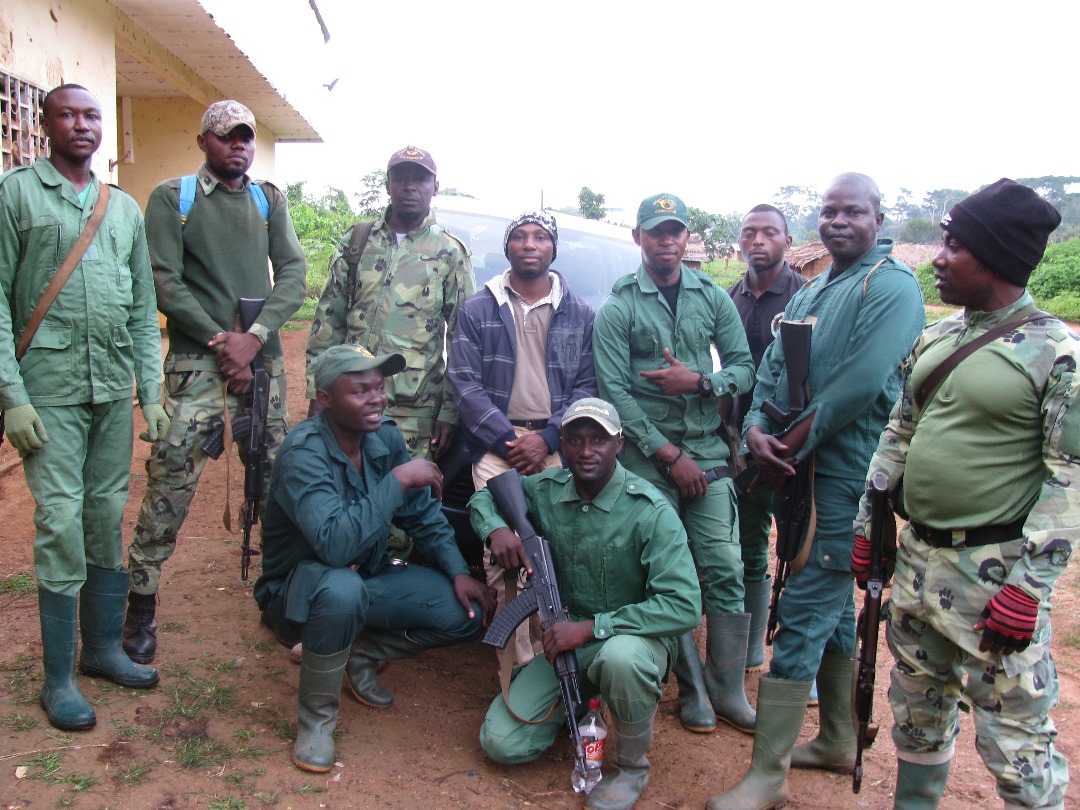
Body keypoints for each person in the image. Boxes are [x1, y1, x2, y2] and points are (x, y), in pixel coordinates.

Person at [852, 179, 1075, 809]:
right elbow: (899, 431)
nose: (939, 257)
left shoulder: (1056, 354)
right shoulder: (942, 335)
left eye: (955, 245)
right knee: (917, 714)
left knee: (1017, 741)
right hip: (920, 565)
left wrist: (1028, 589)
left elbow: (1071, 476)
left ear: (997, 256)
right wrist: (871, 531)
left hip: (994, 578)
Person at [706, 173, 924, 809]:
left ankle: (767, 775)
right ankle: (834, 739)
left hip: (845, 479)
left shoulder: (890, 287)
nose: (837, 221)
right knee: (824, 608)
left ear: (878, 218)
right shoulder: (812, 290)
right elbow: (771, 373)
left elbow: (859, 384)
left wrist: (785, 443)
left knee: (803, 607)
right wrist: (753, 433)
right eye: (828, 211)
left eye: (852, 211)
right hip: (793, 474)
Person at [0, 84, 164, 730]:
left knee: (103, 515)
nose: (81, 125)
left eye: (92, 115)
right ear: (45, 125)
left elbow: (142, 311)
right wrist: (11, 396)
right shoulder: (15, 194)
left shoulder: (120, 209)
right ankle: (59, 678)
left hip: (111, 393)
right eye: (67, 114)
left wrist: (149, 393)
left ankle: (101, 650)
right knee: (61, 521)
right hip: (49, 393)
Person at [123, 100, 307, 664]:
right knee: (173, 475)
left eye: (247, 138)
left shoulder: (268, 199)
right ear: (205, 140)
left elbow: (294, 273)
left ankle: (280, 598)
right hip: (198, 361)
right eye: (228, 137)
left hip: (263, 362)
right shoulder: (171, 198)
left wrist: (254, 335)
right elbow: (164, 280)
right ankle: (140, 604)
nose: (240, 146)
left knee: (277, 478)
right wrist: (221, 341)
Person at [256, 344, 496, 773]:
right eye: (360, 390)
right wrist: (399, 480)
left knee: (468, 611)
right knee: (340, 587)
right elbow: (333, 546)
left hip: (366, 575)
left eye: (379, 387)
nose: (377, 398)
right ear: (326, 398)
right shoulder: (303, 453)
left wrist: (459, 571)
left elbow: (421, 514)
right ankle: (316, 720)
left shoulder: (382, 437)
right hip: (299, 593)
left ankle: (359, 655)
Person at [472, 398, 700, 810]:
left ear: (619, 444)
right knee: (500, 743)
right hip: (565, 640)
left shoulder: (649, 511)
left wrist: (593, 628)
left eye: (599, 439)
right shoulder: (547, 489)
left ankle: (632, 767)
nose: (585, 450)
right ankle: (576, 708)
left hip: (632, 640)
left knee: (621, 660)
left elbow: (683, 606)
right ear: (562, 441)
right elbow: (488, 496)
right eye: (575, 439)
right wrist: (496, 530)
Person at [593, 193, 756, 735]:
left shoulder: (712, 297)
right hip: (645, 457)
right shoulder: (620, 307)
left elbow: (743, 367)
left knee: (724, 565)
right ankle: (691, 691)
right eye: (656, 232)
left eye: (676, 232)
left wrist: (702, 382)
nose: (667, 241)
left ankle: (727, 686)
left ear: (688, 239)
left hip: (708, 452)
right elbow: (613, 389)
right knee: (667, 569)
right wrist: (667, 453)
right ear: (638, 237)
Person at [448, 210, 596, 675]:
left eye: (539, 237)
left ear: (553, 249)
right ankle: (516, 675)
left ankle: (555, 664)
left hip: (559, 446)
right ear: (507, 247)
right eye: (519, 237)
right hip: (499, 447)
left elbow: (587, 388)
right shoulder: (478, 308)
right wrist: (510, 439)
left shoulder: (580, 312)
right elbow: (464, 383)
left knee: (557, 552)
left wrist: (549, 437)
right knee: (505, 554)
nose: (529, 244)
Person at [305, 145, 474, 551]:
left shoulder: (449, 253)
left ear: (435, 187)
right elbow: (329, 319)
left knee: (403, 500)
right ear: (387, 184)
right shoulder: (358, 240)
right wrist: (316, 392)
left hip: (412, 406)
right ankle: (342, 581)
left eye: (420, 179)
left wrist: (450, 410)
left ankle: (390, 583)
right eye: (401, 177)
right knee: (341, 487)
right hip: (347, 400)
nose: (409, 187)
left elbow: (463, 339)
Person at [726, 205, 803, 674]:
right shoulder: (728, 298)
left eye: (769, 233)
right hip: (738, 442)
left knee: (798, 549)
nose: (758, 241)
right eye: (749, 233)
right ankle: (751, 652)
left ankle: (800, 666)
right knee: (749, 544)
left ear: (788, 243)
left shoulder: (806, 296)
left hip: (793, 443)